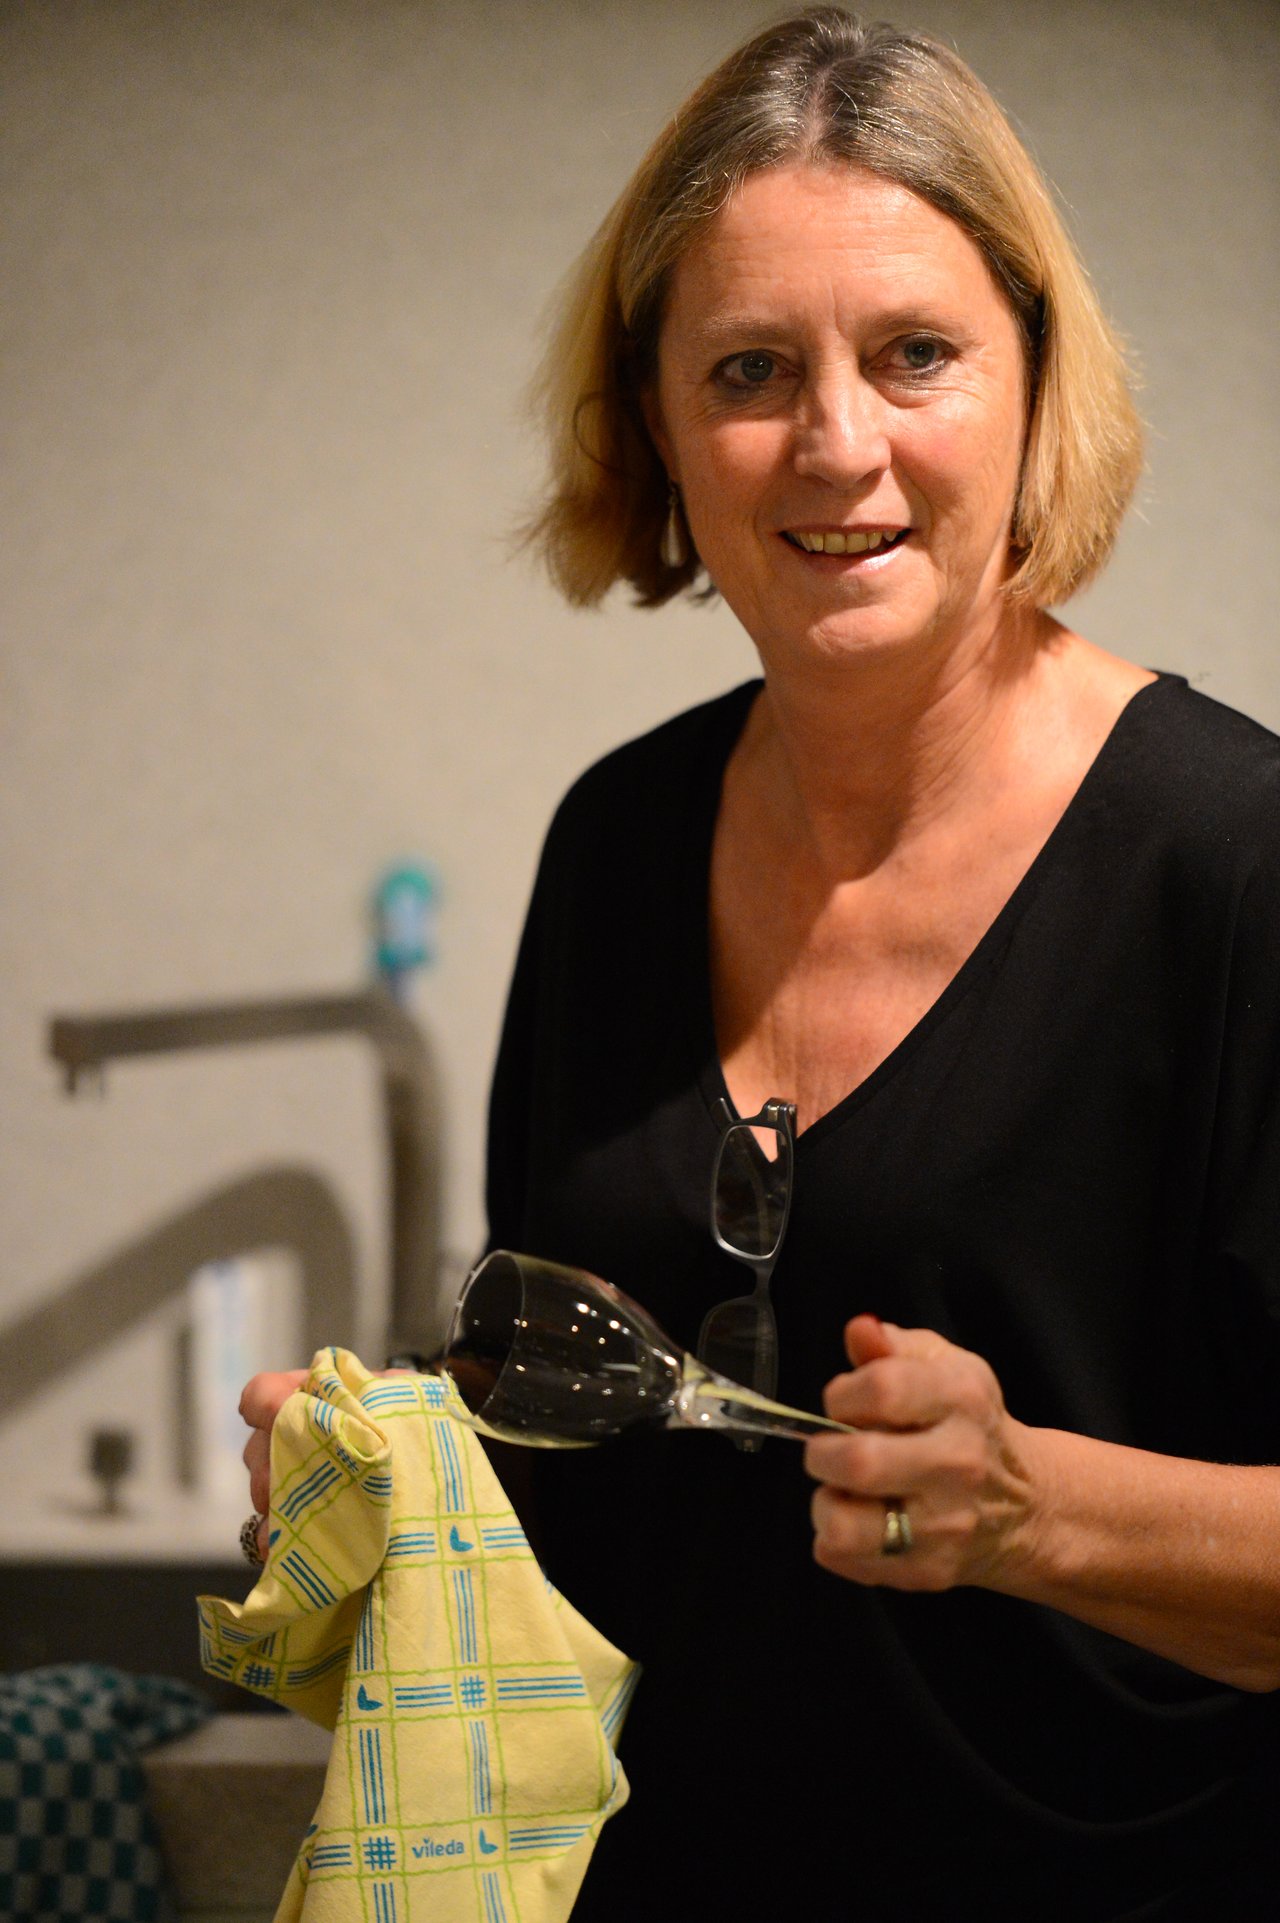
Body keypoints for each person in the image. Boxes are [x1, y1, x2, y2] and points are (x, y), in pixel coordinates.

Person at [241, 11, 1280, 1917]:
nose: (836, 442)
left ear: (1034, 386)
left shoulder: (1237, 867)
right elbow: (564, 1445)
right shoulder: (617, 843)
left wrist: (1032, 1510)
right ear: (655, 424)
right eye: (749, 369)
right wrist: (390, 1472)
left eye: (915, 356)